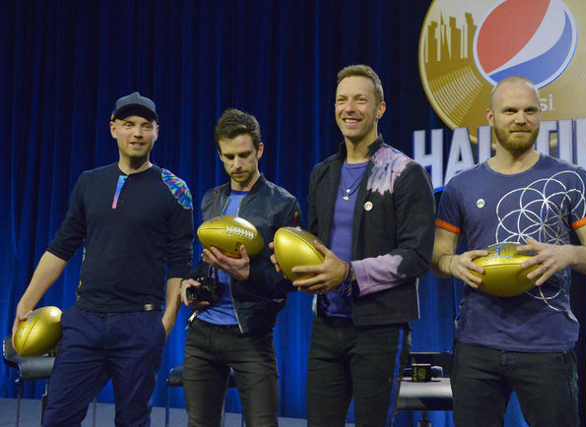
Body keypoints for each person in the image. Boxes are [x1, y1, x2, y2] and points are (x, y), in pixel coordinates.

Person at [431, 76, 586, 426]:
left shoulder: (570, 179)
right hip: (475, 346)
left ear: (540, 116)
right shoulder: (460, 186)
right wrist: (452, 262)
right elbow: (437, 258)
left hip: (547, 347)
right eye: (510, 111)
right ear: (490, 117)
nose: (520, 119)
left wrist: (569, 254)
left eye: (529, 111)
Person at [12, 92, 194, 426]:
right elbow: (61, 247)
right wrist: (26, 302)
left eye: (145, 126)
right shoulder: (89, 182)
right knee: (57, 418)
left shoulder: (175, 189)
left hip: (140, 323)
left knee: (132, 421)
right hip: (85, 321)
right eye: (128, 125)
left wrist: (164, 325)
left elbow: (180, 261)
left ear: (157, 132)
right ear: (113, 129)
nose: (137, 133)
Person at [273, 64, 436, 426]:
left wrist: (348, 272)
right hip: (327, 326)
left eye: (360, 100)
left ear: (379, 109)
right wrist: (286, 262)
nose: (349, 108)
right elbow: (315, 244)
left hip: (380, 330)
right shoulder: (323, 173)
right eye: (341, 100)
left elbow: (417, 255)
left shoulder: (406, 173)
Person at [180, 108, 302, 427]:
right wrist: (190, 281)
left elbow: (290, 278)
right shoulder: (212, 199)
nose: (237, 164)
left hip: (251, 335)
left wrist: (247, 274)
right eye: (229, 157)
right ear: (219, 154)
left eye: (245, 155)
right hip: (203, 333)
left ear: (259, 150)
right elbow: (208, 260)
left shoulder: (283, 204)